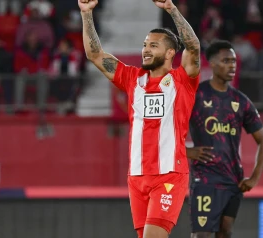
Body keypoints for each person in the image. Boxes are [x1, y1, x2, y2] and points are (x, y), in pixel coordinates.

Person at [77, 0, 201, 237]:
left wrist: (172, 10)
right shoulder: (133, 79)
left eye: (153, 45)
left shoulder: (182, 80)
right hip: (136, 176)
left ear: (169, 53)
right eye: (145, 45)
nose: (145, 49)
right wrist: (87, 14)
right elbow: (95, 54)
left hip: (168, 175)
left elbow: (193, 47)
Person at [187, 40, 263, 238]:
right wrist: (185, 150)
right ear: (213, 64)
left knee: (225, 232)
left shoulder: (241, 101)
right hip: (205, 178)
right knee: (202, 234)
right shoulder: (196, 95)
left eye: (233, 61)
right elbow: (165, 128)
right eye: (226, 61)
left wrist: (255, 177)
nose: (232, 65)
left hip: (233, 179)